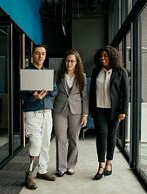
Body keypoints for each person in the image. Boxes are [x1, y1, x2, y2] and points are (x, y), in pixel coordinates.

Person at [20, 44, 58, 190]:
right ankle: (29, 174)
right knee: (36, 143)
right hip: (32, 112)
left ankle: (42, 171)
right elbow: (20, 93)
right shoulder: (26, 72)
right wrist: (33, 95)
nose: (40, 56)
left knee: (45, 143)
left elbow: (55, 90)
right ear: (32, 55)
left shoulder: (48, 72)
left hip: (47, 112)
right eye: (37, 53)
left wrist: (44, 92)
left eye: (43, 53)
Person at [89, 45, 129, 180]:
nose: (102, 58)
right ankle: (100, 165)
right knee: (101, 134)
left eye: (105, 56)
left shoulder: (120, 72)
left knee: (111, 136)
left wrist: (123, 110)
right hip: (99, 108)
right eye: (101, 56)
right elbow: (91, 92)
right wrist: (91, 109)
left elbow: (126, 93)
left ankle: (109, 163)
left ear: (112, 56)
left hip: (114, 110)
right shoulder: (96, 71)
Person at [53, 49, 88, 177]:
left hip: (76, 111)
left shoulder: (82, 76)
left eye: (72, 61)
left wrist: (85, 114)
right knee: (60, 139)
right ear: (64, 62)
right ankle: (61, 167)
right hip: (59, 110)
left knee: (74, 139)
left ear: (77, 62)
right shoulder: (58, 74)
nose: (70, 63)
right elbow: (53, 92)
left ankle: (71, 165)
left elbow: (85, 96)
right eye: (68, 61)